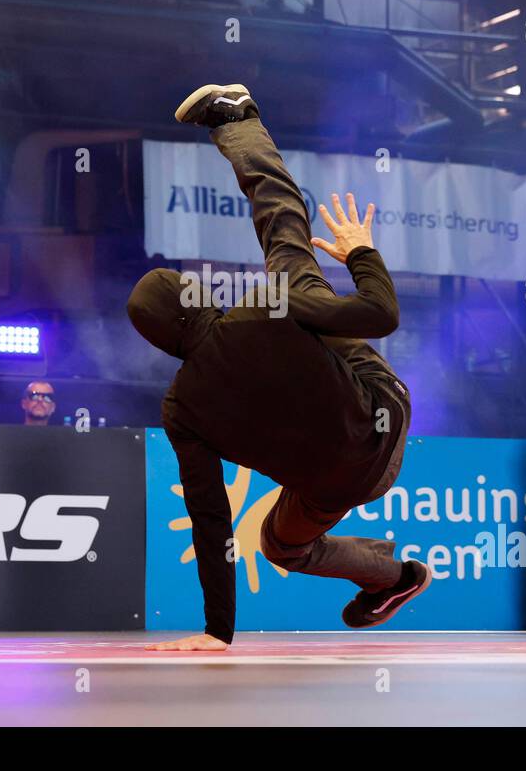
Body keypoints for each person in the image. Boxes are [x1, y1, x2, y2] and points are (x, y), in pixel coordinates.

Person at [127, 84, 424, 652]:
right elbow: (382, 314)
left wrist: (218, 632)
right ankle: (237, 118)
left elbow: (210, 519)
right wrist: (362, 252)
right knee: (286, 243)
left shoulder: (180, 410)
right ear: (193, 294)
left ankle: (394, 576)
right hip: (386, 408)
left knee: (279, 547)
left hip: (344, 485)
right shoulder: (267, 306)